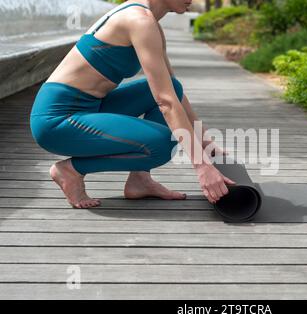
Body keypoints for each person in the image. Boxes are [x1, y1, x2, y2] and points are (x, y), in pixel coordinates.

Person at [29, 0, 235, 209]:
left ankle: (140, 179)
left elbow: (171, 92)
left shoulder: (149, 22)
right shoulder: (139, 20)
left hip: (90, 107)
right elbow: (166, 102)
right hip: (57, 120)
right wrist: (201, 165)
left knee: (172, 86)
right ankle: (71, 170)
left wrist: (206, 143)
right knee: (163, 143)